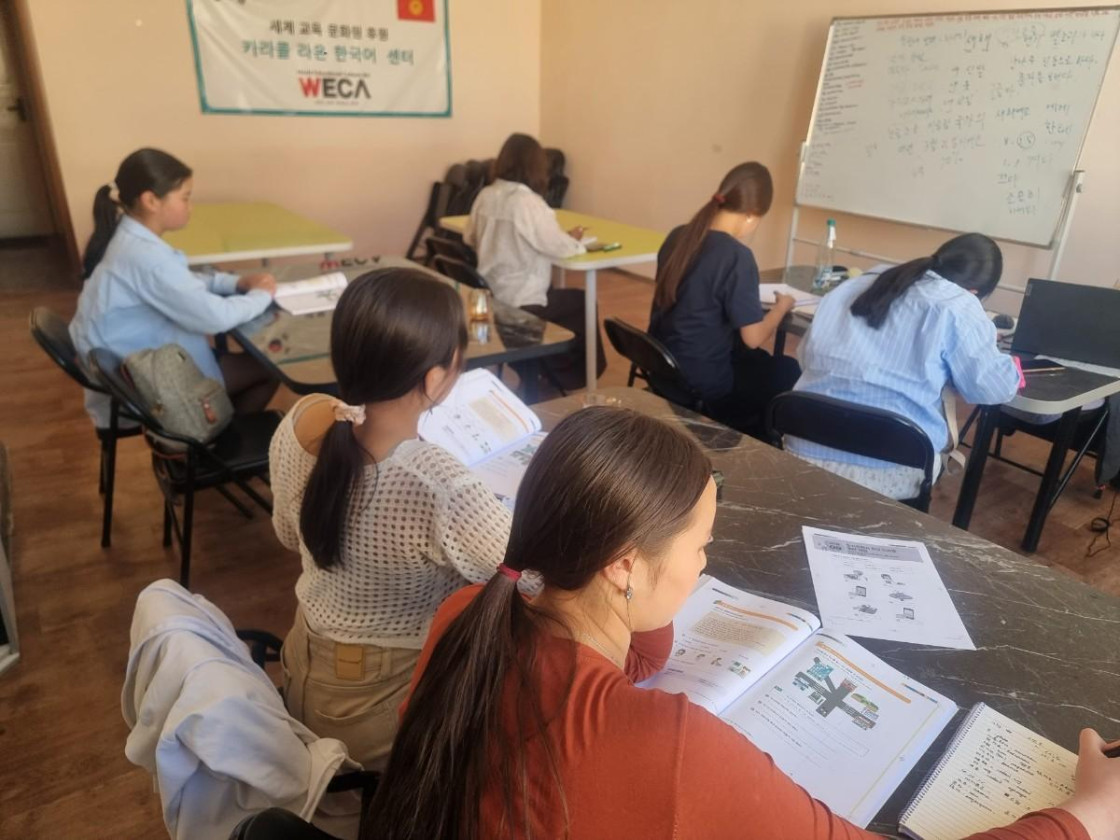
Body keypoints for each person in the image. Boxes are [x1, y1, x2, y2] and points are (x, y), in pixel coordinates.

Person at [361, 406, 1119, 839]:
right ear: (622, 563)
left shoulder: (470, 612)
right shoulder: (664, 745)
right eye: (701, 546)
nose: (704, 565)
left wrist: (634, 596)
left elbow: (632, 653)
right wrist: (1085, 817)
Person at [269, 267, 518, 770]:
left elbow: (288, 534)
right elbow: (528, 578)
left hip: (301, 667)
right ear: (434, 379)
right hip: (376, 704)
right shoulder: (437, 481)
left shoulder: (303, 418)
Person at [790, 233, 1020, 500]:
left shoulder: (857, 284)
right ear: (974, 292)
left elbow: (805, 358)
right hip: (889, 465)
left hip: (800, 446)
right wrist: (1011, 365)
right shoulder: (960, 305)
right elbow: (991, 389)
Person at [69, 148, 278, 428]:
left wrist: (234, 282)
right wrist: (262, 294)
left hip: (131, 370)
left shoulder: (127, 237)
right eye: (185, 197)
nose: (190, 207)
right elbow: (215, 318)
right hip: (150, 387)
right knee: (269, 369)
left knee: (248, 364)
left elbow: (178, 283)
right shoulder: (146, 257)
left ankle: (217, 432)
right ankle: (216, 437)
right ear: (151, 201)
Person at [649, 162, 801, 436]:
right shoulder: (736, 256)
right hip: (704, 383)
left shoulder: (678, 236)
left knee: (757, 362)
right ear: (751, 216)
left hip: (663, 369)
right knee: (787, 370)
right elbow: (753, 338)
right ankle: (759, 443)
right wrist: (781, 308)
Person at [464, 132, 606, 390]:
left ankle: (545, 367)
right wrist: (573, 240)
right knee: (582, 302)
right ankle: (573, 375)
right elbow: (559, 247)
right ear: (536, 165)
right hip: (521, 301)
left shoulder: (486, 195)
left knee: (558, 297)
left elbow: (469, 237)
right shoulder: (528, 202)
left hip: (489, 297)